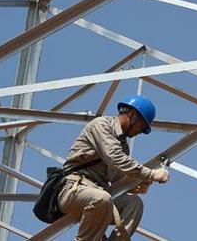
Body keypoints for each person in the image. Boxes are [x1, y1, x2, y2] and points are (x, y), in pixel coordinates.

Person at [57, 95, 170, 240]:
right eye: (142, 127)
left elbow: (118, 179)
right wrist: (150, 174)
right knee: (102, 198)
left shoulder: (123, 146)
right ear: (133, 115)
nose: (140, 132)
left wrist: (136, 185)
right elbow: (115, 158)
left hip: (99, 196)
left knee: (134, 203)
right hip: (73, 191)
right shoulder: (102, 125)